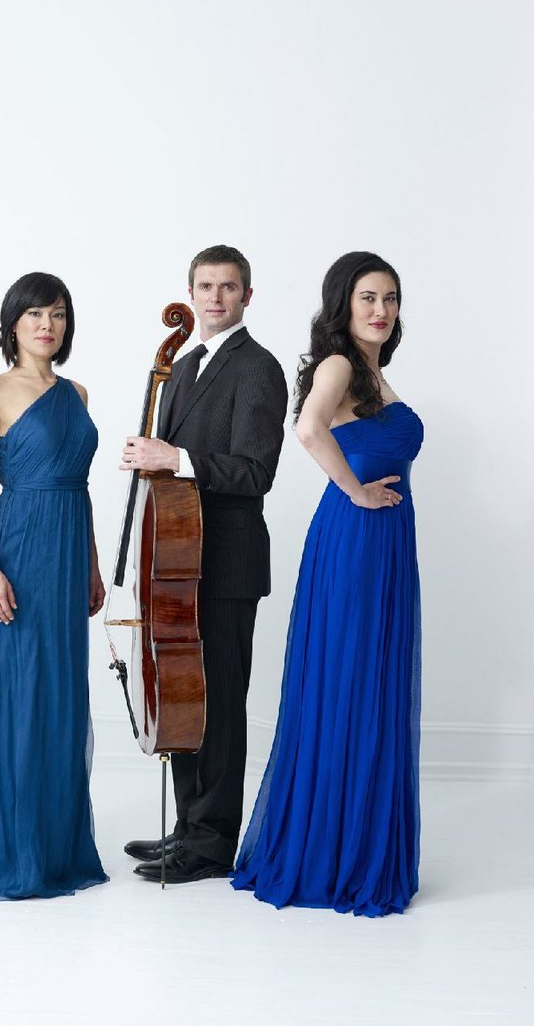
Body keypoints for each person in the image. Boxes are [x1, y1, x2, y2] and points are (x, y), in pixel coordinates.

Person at [231, 251, 424, 917]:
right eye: (369, 297)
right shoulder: (340, 364)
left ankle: (356, 840)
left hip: (385, 542)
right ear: (344, 303)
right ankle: (332, 849)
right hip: (356, 535)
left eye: (391, 298)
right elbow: (307, 428)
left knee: (371, 680)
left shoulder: (372, 372)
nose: (381, 309)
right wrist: (357, 493)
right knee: (350, 677)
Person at [0, 271, 108, 900]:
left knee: (59, 690)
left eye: (58, 314)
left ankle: (54, 842)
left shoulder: (78, 393)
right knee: (16, 687)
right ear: (13, 323)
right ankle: (7, 843)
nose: (47, 325)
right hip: (18, 546)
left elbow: (81, 489)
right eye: (35, 314)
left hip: (66, 553)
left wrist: (91, 566)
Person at [121, 244, 288, 883]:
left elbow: (254, 472)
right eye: (205, 286)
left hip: (226, 562)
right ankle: (190, 826)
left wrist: (176, 458)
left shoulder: (259, 368)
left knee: (219, 699)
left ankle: (213, 842)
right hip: (179, 557)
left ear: (247, 296)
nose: (215, 297)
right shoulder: (184, 366)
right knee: (185, 692)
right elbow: (168, 468)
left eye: (228, 287)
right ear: (191, 295)